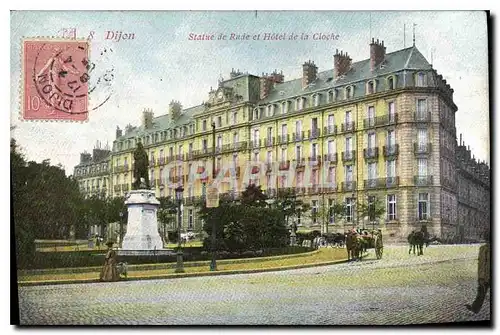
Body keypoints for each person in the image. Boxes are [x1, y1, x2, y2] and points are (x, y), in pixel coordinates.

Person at [466, 231, 490, 314]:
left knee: (481, 294)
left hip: (486, 277)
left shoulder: (484, 249)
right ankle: (475, 309)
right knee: (481, 294)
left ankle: (475, 309)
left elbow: (481, 265)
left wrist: (481, 278)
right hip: (487, 277)